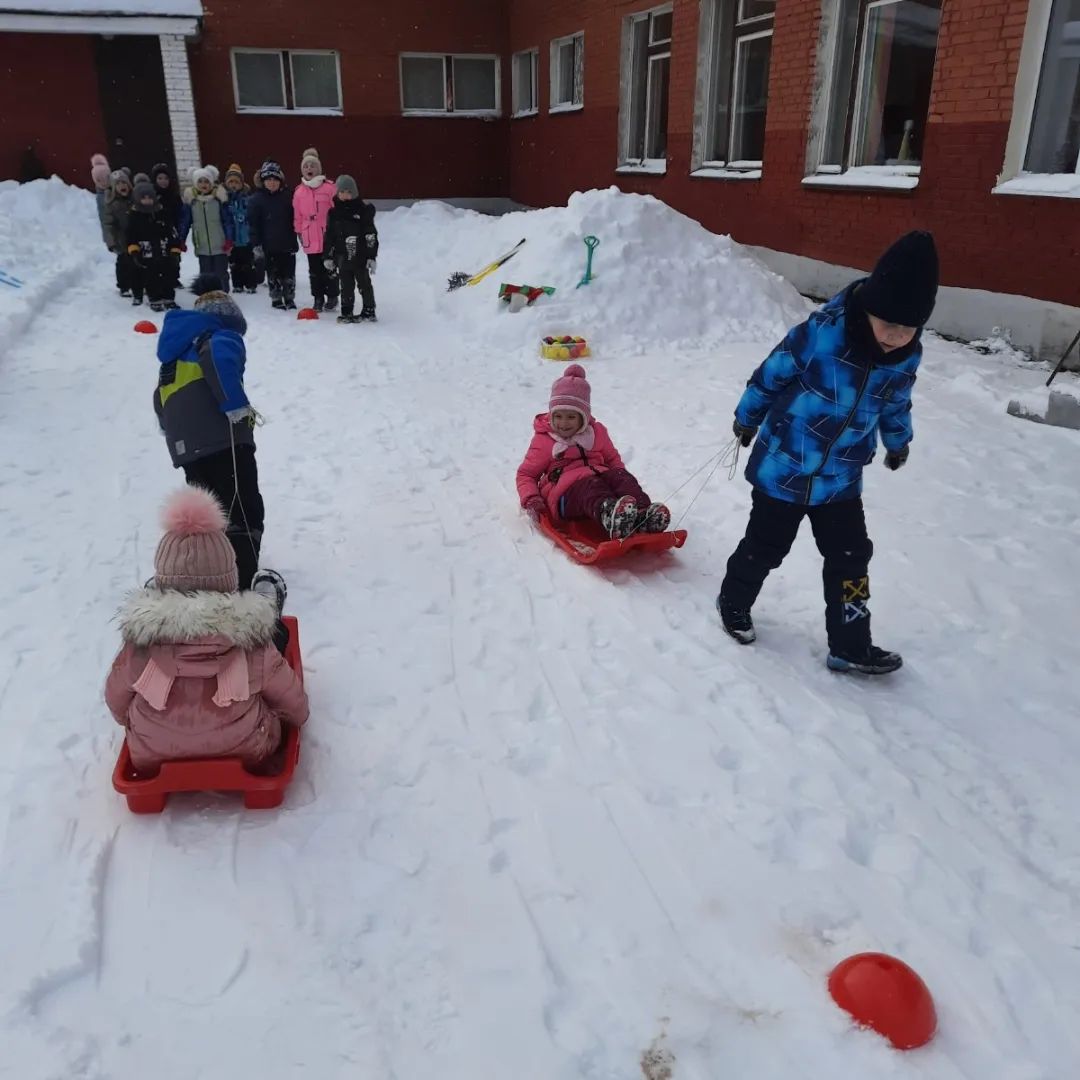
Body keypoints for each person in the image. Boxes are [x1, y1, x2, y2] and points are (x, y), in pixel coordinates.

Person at [716, 231, 939, 676]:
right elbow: (770, 376)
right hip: (784, 469)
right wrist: (747, 417)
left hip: (840, 478)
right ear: (869, 308)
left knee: (852, 557)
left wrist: (899, 442)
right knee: (766, 547)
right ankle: (733, 601)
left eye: (908, 327)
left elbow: (897, 404)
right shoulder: (820, 336)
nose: (896, 336)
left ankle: (851, 645)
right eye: (888, 323)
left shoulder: (904, 358)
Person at [104, 487, 307, 774]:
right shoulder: (250, 640)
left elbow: (116, 700)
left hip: (151, 754)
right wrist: (291, 719)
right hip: (247, 750)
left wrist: (138, 723)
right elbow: (293, 704)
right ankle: (272, 614)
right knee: (271, 651)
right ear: (229, 581)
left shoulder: (141, 643)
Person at [154, 274, 266, 588]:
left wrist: (172, 430)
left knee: (208, 508)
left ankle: (207, 568)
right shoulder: (219, 336)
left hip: (186, 446)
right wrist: (236, 406)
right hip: (222, 437)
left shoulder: (174, 354)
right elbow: (219, 364)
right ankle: (243, 576)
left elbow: (159, 397)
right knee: (242, 504)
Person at [516, 364, 671, 539]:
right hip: (566, 496)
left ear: (583, 416)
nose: (563, 423)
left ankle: (643, 516)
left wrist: (619, 478)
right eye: (558, 416)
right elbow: (526, 474)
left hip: (599, 478)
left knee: (621, 477)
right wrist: (531, 499)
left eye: (571, 417)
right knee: (591, 487)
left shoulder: (596, 433)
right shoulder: (544, 440)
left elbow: (612, 459)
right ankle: (611, 516)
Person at [325, 174, 378, 324]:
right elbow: (329, 236)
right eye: (341, 192)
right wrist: (328, 256)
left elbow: (370, 234)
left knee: (364, 284)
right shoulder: (334, 213)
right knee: (346, 286)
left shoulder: (362, 211)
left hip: (360, 256)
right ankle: (347, 312)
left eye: (348, 192)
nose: (345, 195)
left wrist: (371, 256)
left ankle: (369, 310)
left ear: (354, 193)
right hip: (342, 257)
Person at [292, 147, 338, 312]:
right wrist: (299, 232)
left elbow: (337, 210)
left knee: (330, 267)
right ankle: (318, 298)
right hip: (309, 235)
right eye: (306, 166)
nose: (309, 169)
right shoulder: (299, 192)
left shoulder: (330, 188)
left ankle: (332, 296)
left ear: (318, 168)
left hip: (327, 235)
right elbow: (297, 215)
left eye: (312, 166)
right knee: (314, 271)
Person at [125, 180, 181, 311]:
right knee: (151, 278)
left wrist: (175, 249)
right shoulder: (134, 216)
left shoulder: (162, 213)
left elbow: (172, 232)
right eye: (143, 198)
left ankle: (169, 298)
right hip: (147, 252)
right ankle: (154, 298)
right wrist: (134, 251)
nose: (147, 200)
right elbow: (130, 236)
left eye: (149, 197)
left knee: (168, 276)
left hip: (164, 250)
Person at [247, 160, 297, 310]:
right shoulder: (256, 200)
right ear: (263, 181)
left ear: (280, 181)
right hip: (268, 245)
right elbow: (253, 224)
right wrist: (256, 244)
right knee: (273, 273)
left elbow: (295, 218)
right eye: (268, 180)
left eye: (275, 179)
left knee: (288, 273)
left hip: (287, 242)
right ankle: (276, 298)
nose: (272, 183)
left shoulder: (288, 197)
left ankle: (289, 297)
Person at [180, 166, 234, 290]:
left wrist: (229, 239)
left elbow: (228, 221)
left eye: (206, 181)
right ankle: (207, 294)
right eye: (200, 181)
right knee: (205, 272)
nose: (203, 184)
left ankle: (223, 293)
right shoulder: (192, 202)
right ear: (195, 183)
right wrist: (181, 239)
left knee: (221, 272)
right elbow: (185, 222)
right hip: (202, 244)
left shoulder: (219, 200)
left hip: (220, 244)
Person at [223, 163, 258, 293]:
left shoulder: (247, 198)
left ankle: (250, 284)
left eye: (236, 182)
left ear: (242, 183)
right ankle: (237, 284)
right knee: (234, 263)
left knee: (248, 262)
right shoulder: (224, 199)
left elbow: (250, 214)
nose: (233, 185)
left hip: (245, 236)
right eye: (230, 182)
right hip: (232, 239)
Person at [102, 170, 135, 298]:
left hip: (135, 237)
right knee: (123, 263)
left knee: (137, 261)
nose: (122, 186)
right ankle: (124, 286)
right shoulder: (112, 204)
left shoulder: (134, 199)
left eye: (124, 183)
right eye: (118, 184)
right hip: (121, 238)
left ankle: (137, 283)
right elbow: (108, 224)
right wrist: (111, 241)